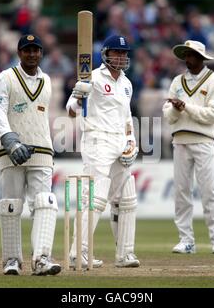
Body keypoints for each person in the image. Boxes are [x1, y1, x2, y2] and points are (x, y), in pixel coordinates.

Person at [66, 35, 140, 268]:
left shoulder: (127, 84)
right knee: (96, 196)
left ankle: (125, 254)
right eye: (116, 53)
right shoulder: (93, 78)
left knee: (126, 198)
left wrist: (131, 141)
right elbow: (70, 110)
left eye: (124, 53)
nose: (121, 57)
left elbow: (126, 117)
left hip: (120, 142)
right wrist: (79, 97)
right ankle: (79, 252)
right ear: (106, 54)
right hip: (98, 140)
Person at [0, 34, 61, 276]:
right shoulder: (6, 77)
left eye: (36, 50)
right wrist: (10, 140)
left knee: (45, 203)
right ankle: (11, 260)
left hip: (42, 151)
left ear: (41, 53)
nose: (32, 54)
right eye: (27, 50)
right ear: (19, 53)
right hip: (11, 151)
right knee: (11, 205)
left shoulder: (48, 80)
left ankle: (42, 258)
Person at [162, 40, 214, 255]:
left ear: (201, 58)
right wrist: (177, 110)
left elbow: (213, 116)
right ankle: (186, 240)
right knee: (181, 192)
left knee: (209, 191)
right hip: (180, 141)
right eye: (186, 55)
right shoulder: (177, 82)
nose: (187, 59)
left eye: (191, 55)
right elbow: (168, 116)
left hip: (203, 141)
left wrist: (185, 107)